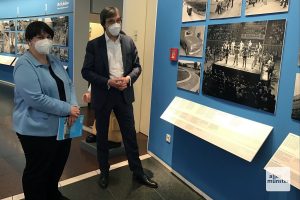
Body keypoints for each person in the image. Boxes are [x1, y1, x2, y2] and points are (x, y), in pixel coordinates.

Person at [81, 7, 158, 189]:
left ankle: (138, 172)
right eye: (111, 21)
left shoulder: (128, 42)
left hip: (124, 94)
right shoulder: (94, 45)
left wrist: (128, 78)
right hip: (104, 95)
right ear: (103, 24)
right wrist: (108, 82)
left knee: (130, 136)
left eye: (118, 20)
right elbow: (86, 71)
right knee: (102, 137)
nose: (116, 24)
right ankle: (104, 173)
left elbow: (137, 66)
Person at [13, 21, 80, 200]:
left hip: (61, 126)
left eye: (49, 37)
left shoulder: (54, 61)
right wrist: (67, 109)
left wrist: (74, 107)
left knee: (56, 166)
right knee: (37, 171)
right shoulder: (24, 65)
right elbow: (35, 99)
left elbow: (69, 84)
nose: (46, 41)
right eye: (40, 37)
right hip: (36, 130)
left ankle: (51, 193)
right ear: (29, 40)